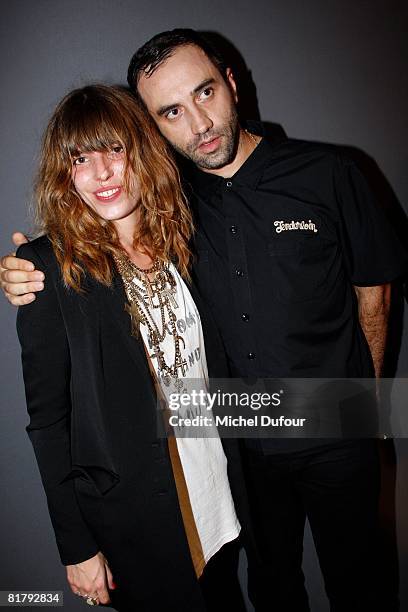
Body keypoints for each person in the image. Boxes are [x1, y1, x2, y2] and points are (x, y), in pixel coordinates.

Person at [2, 28, 407, 611]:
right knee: (272, 589)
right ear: (155, 128)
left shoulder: (322, 174)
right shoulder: (170, 205)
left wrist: (367, 402)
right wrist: (21, 270)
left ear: (231, 84)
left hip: (336, 429)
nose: (199, 123)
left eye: (205, 93)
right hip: (243, 445)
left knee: (361, 584)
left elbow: (376, 289)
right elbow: (55, 400)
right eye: (171, 111)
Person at [10, 83, 249, 612]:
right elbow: (48, 423)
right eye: (80, 157)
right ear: (64, 172)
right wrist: (77, 547)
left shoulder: (182, 239)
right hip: (136, 522)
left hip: (215, 495)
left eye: (114, 149)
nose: (101, 173)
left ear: (141, 149)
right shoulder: (51, 269)